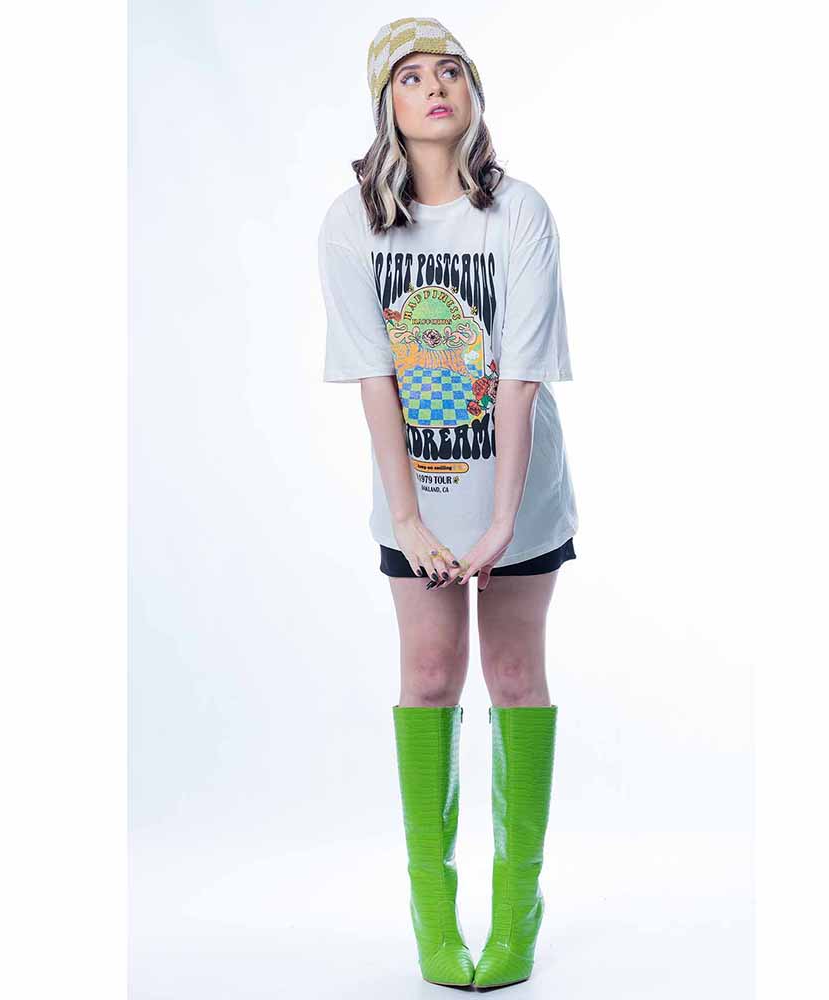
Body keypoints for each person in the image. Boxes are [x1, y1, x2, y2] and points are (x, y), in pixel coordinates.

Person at [317, 16, 579, 989]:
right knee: (429, 676)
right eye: (411, 77)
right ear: (385, 105)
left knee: (513, 673)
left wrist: (503, 520)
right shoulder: (352, 224)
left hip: (520, 493)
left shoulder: (519, 214)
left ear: (474, 93)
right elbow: (374, 376)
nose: (435, 88)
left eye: (452, 72)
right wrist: (410, 521)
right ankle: (434, 921)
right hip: (416, 499)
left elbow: (521, 374)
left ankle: (515, 917)